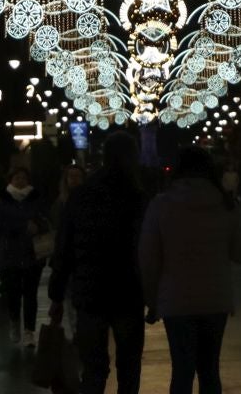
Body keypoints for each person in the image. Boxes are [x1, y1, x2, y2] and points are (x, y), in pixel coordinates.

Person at [140, 146, 241, 394]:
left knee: (182, 370)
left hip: (175, 300)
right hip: (215, 299)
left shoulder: (161, 205)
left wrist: (152, 301)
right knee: (210, 369)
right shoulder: (225, 204)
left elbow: (148, 258)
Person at [50, 133, 149, 394]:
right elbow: (147, 248)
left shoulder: (81, 195)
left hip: (90, 291)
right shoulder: (137, 196)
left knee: (93, 368)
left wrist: (56, 293)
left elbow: (65, 246)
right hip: (128, 291)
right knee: (129, 366)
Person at [0, 166, 52, 345]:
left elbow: (46, 220)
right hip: (10, 253)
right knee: (13, 292)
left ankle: (29, 331)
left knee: (31, 293)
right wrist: (21, 226)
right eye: (17, 178)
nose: (20, 181)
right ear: (10, 180)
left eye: (23, 178)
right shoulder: (3, 199)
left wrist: (38, 226)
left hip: (33, 253)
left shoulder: (36, 197)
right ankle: (14, 323)